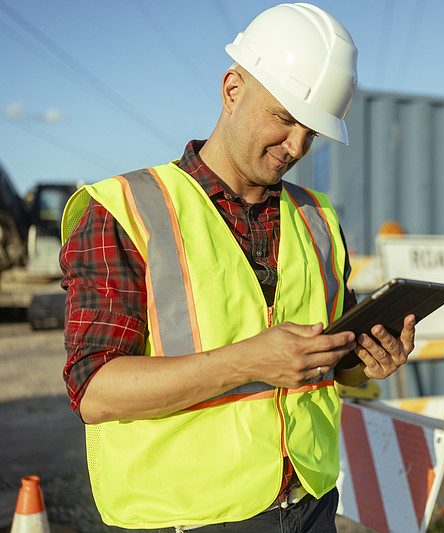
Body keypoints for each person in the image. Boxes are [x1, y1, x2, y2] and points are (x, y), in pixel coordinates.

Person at [59, 3, 415, 532]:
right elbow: (95, 390)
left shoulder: (316, 217)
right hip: (188, 519)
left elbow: (330, 362)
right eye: (285, 117)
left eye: (311, 131)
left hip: (312, 504)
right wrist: (246, 361)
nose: (296, 146)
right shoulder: (124, 209)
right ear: (232, 90)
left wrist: (368, 361)